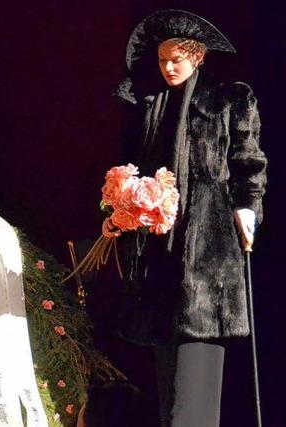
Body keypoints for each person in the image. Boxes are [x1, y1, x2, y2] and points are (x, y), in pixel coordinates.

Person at [113, 10, 267, 427]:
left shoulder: (228, 99)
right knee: (169, 389)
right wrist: (126, 205)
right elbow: (137, 169)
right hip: (162, 251)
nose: (168, 67)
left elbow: (248, 162)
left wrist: (247, 208)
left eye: (176, 59)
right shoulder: (152, 104)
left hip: (207, 253)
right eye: (162, 60)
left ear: (197, 56)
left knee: (193, 389)